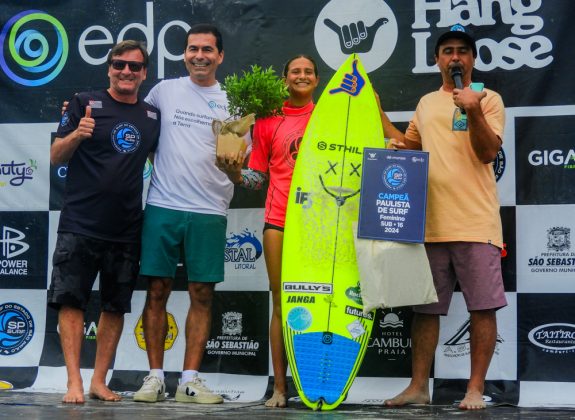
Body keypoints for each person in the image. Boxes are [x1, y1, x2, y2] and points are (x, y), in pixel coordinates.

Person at [378, 24, 507, 410]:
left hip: (476, 223)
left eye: (462, 51)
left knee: (481, 308)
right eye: (448, 51)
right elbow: (408, 147)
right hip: (429, 224)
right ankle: (418, 387)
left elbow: (487, 152)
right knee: (425, 310)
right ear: (437, 59)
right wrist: (376, 113)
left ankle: (474, 389)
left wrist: (471, 107)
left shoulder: (489, 98)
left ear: (472, 59)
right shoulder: (426, 103)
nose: (455, 57)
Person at [133, 23, 243, 404]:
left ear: (220, 56)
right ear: (184, 53)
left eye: (208, 50)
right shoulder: (164, 91)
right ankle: (155, 377)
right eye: (193, 48)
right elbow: (135, 127)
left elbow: (244, 164)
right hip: (163, 204)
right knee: (157, 290)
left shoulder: (235, 102)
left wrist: (239, 173)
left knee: (201, 294)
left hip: (210, 210)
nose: (200, 55)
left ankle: (191, 380)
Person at [48, 40, 160, 404]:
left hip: (127, 229)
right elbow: (54, 156)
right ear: (109, 68)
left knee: (115, 307)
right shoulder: (83, 102)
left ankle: (98, 381)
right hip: (79, 224)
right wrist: (76, 135)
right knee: (71, 302)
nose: (126, 71)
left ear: (144, 73)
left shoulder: (151, 116)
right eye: (119, 65)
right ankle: (73, 383)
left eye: (134, 66)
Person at [216, 55, 319, 408]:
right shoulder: (268, 122)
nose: (301, 76)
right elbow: (257, 178)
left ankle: (320, 382)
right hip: (279, 221)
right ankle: (279, 387)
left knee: (322, 304)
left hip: (321, 224)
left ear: (317, 80)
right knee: (281, 302)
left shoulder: (330, 118)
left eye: (308, 71)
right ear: (285, 79)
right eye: (295, 71)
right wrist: (233, 174)